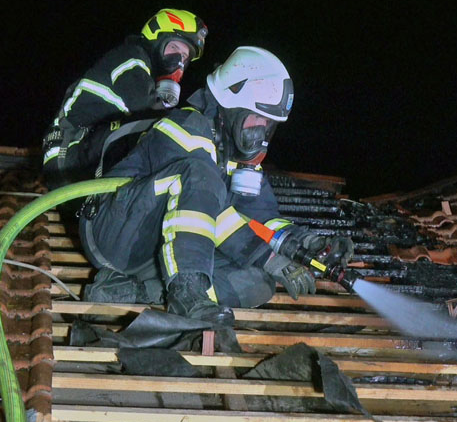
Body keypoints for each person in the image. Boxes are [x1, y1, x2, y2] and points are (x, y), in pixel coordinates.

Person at [79, 47, 354, 325]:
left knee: (257, 282)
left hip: (159, 252)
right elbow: (211, 209)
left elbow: (259, 218)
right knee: (202, 180)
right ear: (231, 107)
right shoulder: (185, 130)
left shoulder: (233, 152)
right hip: (114, 234)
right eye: (256, 118)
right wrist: (267, 256)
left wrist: (307, 243)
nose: (261, 132)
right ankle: (188, 291)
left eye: (269, 124)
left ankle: (138, 291)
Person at [42, 9, 208, 191]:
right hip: (70, 153)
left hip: (84, 153)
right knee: (159, 132)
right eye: (174, 48)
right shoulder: (132, 59)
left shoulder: (146, 74)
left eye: (185, 57)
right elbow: (146, 109)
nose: (178, 61)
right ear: (156, 38)